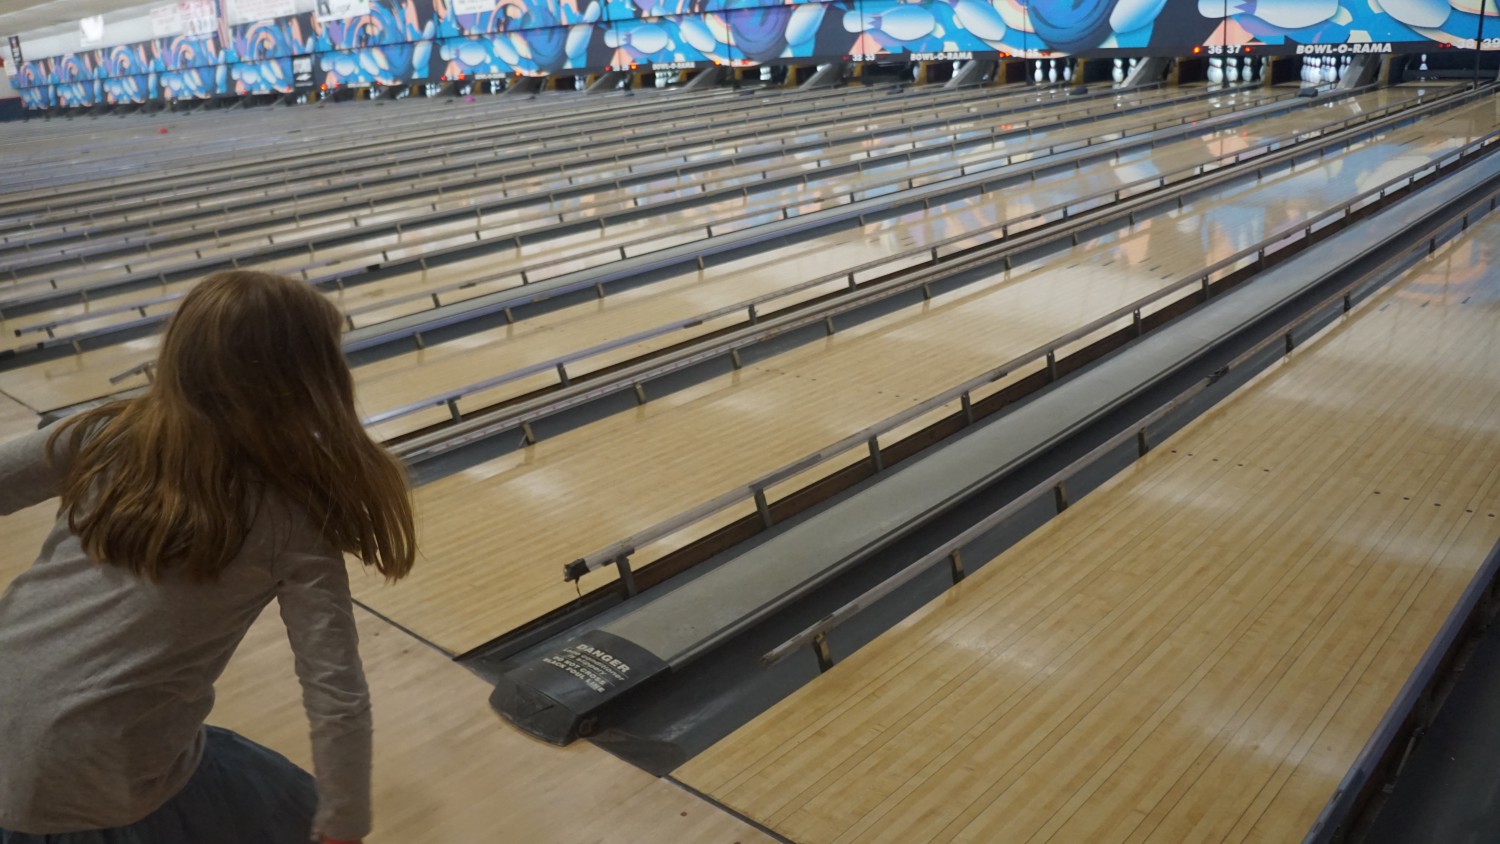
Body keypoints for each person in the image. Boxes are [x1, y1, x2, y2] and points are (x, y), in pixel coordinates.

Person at [0, 271, 416, 844]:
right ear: (312, 378)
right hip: (97, 776)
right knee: (288, 810)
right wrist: (343, 825)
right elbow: (336, 696)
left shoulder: (104, 433)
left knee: (205, 752)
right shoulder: (292, 521)